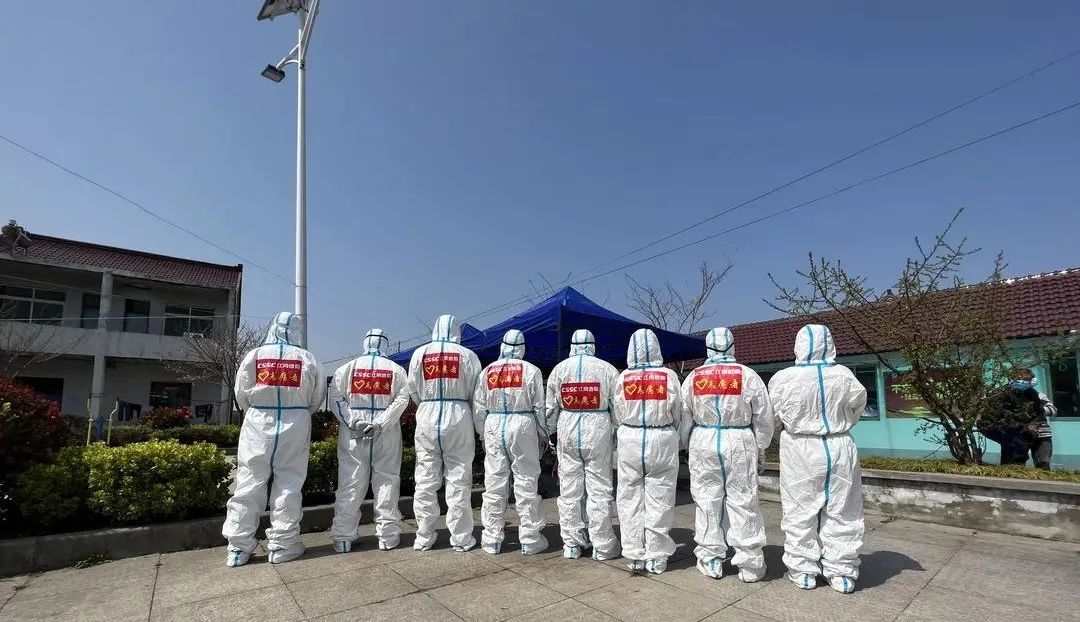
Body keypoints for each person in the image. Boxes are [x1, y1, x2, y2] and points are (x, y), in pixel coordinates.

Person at [768, 324, 866, 593]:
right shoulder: (845, 375)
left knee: (799, 511)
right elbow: (857, 408)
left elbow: (772, 417)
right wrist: (838, 424)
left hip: (800, 447)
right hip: (839, 444)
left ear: (798, 345)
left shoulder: (783, 378)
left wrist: (777, 437)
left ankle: (803, 570)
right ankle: (842, 571)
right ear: (831, 344)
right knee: (843, 511)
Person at [223, 312, 324, 567]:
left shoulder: (255, 355)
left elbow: (241, 393)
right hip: (296, 420)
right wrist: (299, 412)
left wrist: (257, 410)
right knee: (289, 481)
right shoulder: (307, 358)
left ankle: (238, 548)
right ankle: (283, 545)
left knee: (249, 481)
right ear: (296, 331)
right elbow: (317, 396)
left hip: (258, 420)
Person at [681, 327, 774, 582]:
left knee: (707, 500)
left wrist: (686, 444)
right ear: (732, 346)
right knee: (743, 501)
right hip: (739, 439)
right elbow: (764, 416)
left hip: (704, 439)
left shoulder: (694, 377)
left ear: (707, 349)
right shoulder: (748, 375)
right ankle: (750, 565)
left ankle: (710, 558)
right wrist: (761, 446)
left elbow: (684, 416)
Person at [611, 328, 686, 574]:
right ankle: (656, 556)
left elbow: (618, 410)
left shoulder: (624, 377)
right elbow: (678, 412)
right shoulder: (668, 376)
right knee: (660, 497)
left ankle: (634, 554)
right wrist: (674, 434)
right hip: (661, 437)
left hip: (630, 438)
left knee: (629, 498)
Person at [328, 328, 410, 552]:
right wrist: (381, 423)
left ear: (365, 343)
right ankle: (387, 536)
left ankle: (343, 537)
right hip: (386, 434)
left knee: (350, 484)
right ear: (385, 344)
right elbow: (402, 400)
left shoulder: (346, 369)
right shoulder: (396, 370)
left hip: (353, 435)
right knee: (387, 481)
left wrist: (354, 422)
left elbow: (335, 400)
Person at [407, 315, 483, 552]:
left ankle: (424, 536)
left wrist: (427, 404)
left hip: (427, 414)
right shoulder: (468, 355)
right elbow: (476, 393)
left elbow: (413, 389)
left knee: (425, 479)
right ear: (456, 331)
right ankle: (461, 538)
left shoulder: (419, 354)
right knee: (459, 478)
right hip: (459, 413)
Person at [545, 329, 620, 560]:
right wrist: (616, 433)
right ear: (593, 345)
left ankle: (571, 544)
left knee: (569, 489)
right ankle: (602, 545)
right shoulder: (607, 369)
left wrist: (551, 435)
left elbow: (550, 410)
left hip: (568, 426)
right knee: (599, 488)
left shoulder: (559, 370)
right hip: (598, 428)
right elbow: (618, 407)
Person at [473, 329, 549, 555]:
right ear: (522, 348)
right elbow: (539, 407)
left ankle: (491, 539)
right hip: (523, 422)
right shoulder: (531, 370)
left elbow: (479, 407)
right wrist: (543, 435)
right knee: (526, 480)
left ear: (502, 346)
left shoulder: (487, 371)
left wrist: (483, 434)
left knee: (494, 483)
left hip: (494, 423)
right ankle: (530, 539)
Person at [984, 369, 1052, 469]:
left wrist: (1035, 423)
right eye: (1024, 379)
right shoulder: (1002, 395)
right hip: (1010, 432)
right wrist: (1024, 427)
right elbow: (1001, 418)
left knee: (1043, 463)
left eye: (1028, 380)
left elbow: (1039, 412)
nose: (1026, 382)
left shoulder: (1032, 393)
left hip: (1032, 432)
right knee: (1014, 456)